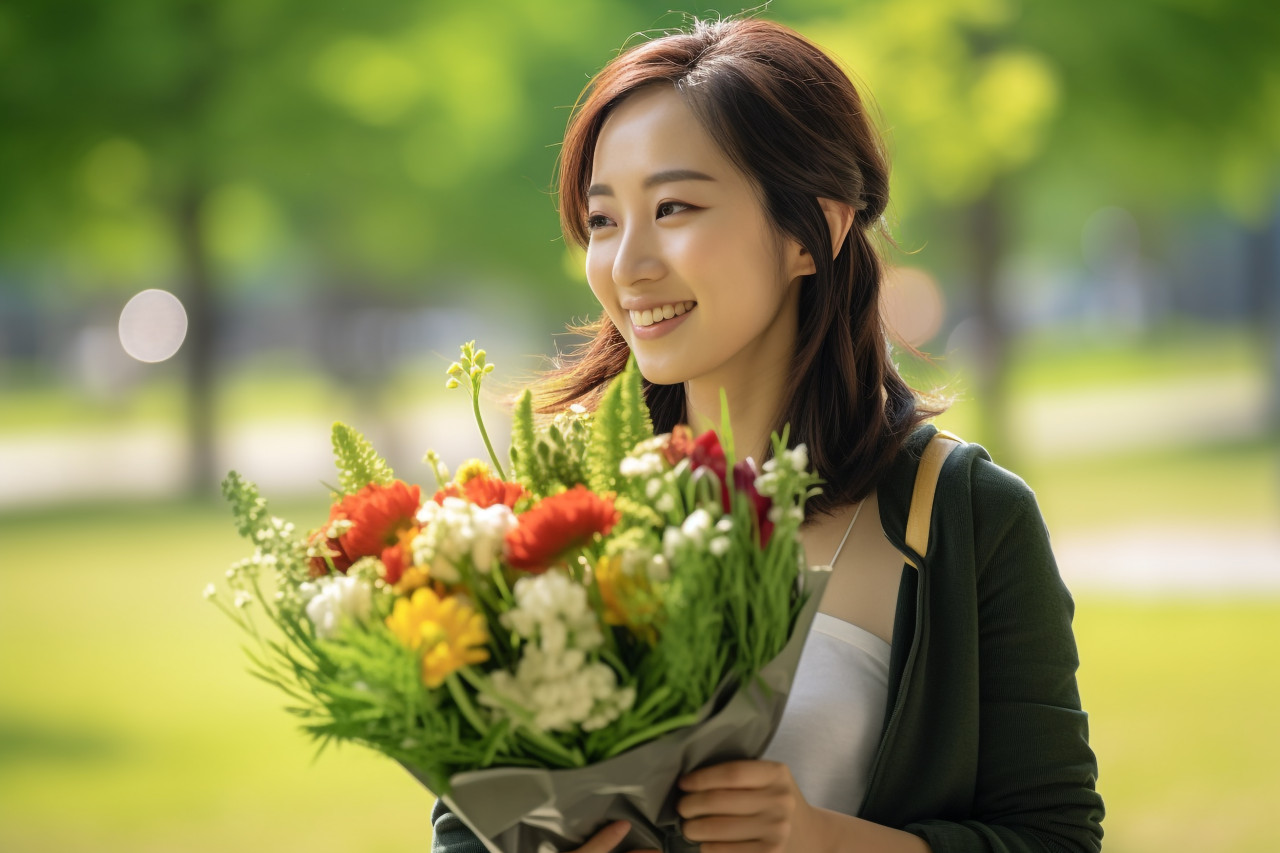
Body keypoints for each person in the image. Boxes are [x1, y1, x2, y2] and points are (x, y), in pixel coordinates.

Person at [432, 15, 1104, 853]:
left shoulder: (964, 515)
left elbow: (1055, 837)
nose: (629, 264)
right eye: (604, 220)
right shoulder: (558, 510)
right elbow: (466, 823)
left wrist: (820, 837)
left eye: (674, 206)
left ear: (811, 231)